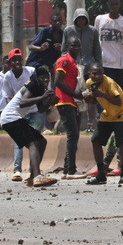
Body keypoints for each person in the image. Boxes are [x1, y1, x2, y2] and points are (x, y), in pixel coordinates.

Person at [0, 67, 58, 187]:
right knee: (33, 143)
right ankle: (37, 176)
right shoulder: (32, 85)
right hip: (10, 118)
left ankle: (32, 177)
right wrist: (43, 97)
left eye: (47, 77)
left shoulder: (40, 89)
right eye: (42, 77)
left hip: (15, 118)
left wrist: (50, 102)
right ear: (36, 77)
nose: (45, 80)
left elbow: (41, 109)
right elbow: (22, 102)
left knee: (42, 141)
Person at [83, 62, 123, 185]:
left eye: (100, 74)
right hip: (107, 114)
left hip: (120, 113)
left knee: (121, 143)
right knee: (95, 140)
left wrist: (102, 94)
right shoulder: (89, 83)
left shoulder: (109, 83)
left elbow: (118, 101)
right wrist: (89, 99)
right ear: (90, 74)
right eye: (95, 74)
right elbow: (95, 101)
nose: (98, 76)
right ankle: (101, 174)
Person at [0, 48, 36, 182]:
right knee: (19, 142)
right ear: (10, 63)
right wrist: (13, 110)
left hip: (35, 111)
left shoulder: (31, 71)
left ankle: (32, 171)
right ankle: (17, 170)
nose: (17, 62)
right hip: (19, 113)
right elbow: (7, 96)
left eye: (19, 59)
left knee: (34, 141)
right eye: (14, 60)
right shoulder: (8, 77)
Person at [62, 8, 102, 131]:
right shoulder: (68, 30)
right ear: (75, 19)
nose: (81, 21)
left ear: (86, 19)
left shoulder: (93, 31)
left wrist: (99, 67)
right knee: (76, 95)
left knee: (91, 95)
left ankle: (91, 122)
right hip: (74, 68)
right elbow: (64, 50)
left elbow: (97, 51)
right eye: (79, 19)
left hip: (89, 67)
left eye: (83, 19)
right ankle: (78, 122)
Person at [54, 37, 86, 179]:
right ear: (68, 46)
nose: (77, 48)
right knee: (73, 135)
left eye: (78, 46)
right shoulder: (64, 60)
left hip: (72, 102)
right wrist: (74, 94)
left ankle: (67, 169)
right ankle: (71, 170)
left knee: (75, 135)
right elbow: (57, 81)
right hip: (65, 101)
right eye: (74, 45)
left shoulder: (74, 62)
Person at [94, 0, 123, 93]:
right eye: (112, 4)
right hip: (104, 63)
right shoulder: (99, 19)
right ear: (108, 4)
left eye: (116, 4)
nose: (114, 6)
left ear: (119, 5)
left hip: (120, 65)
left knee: (119, 94)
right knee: (105, 92)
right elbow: (96, 42)